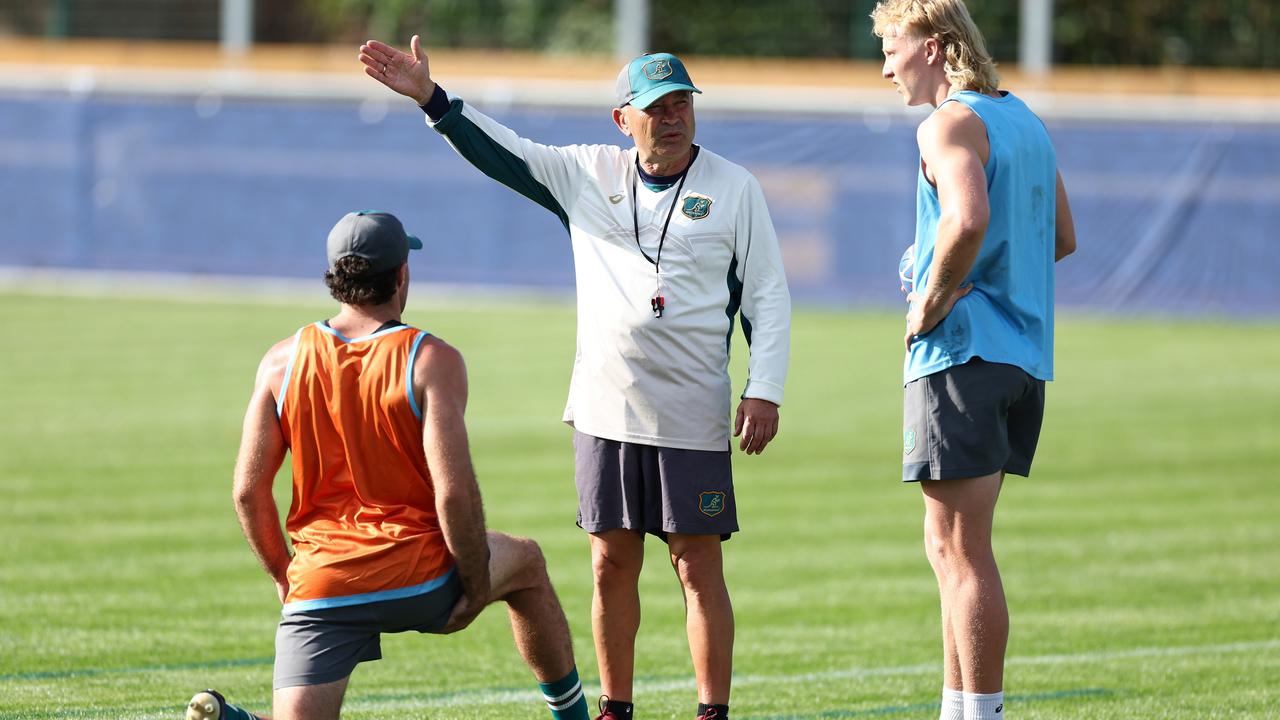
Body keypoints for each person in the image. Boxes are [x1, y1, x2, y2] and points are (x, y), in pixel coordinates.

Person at [358, 39, 791, 720]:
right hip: (605, 411)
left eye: (682, 102)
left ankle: (713, 711)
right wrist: (431, 100)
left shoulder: (735, 188)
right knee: (609, 565)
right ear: (624, 120)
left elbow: (767, 295)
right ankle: (615, 708)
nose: (673, 116)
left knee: (697, 566)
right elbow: (504, 152)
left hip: (693, 415)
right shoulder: (587, 174)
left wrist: (763, 386)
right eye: (656, 107)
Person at [186, 211, 591, 720]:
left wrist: (286, 578)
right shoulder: (430, 359)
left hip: (322, 583)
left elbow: (247, 493)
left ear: (335, 276)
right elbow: (454, 495)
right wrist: (475, 583)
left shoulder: (279, 362)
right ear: (401, 276)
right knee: (527, 562)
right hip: (417, 577)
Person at [871, 1, 1077, 718]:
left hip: (964, 357)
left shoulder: (950, 121)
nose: (886, 67)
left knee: (960, 553)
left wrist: (933, 295)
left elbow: (968, 217)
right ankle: (958, 709)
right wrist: (966, 270)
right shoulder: (1025, 118)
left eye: (892, 48)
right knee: (953, 549)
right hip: (1021, 358)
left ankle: (979, 713)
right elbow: (1060, 237)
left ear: (931, 47)